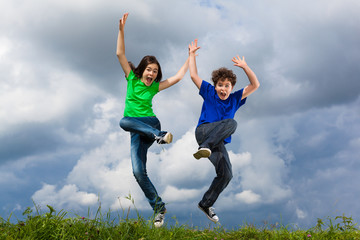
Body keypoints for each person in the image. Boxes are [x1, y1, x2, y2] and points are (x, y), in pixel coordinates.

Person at [116, 13, 189, 228]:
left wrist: (190, 57)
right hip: (137, 130)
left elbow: (177, 78)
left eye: (155, 71)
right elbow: (120, 53)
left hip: (151, 124)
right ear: (142, 70)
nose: (152, 73)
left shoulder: (155, 86)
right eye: (149, 69)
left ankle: (159, 135)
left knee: (123, 121)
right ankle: (159, 208)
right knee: (138, 172)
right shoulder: (131, 78)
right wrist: (121, 31)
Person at [188, 39, 260, 223]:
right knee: (231, 123)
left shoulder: (235, 98)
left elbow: (255, 85)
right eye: (220, 85)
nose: (223, 88)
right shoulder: (209, 92)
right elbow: (194, 76)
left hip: (214, 143)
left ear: (232, 88)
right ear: (215, 86)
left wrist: (245, 67)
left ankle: (205, 204)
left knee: (226, 174)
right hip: (203, 133)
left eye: (227, 86)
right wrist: (191, 55)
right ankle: (204, 147)